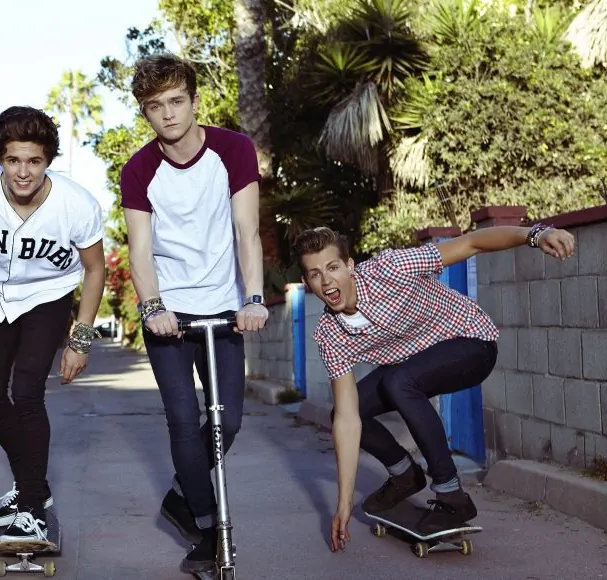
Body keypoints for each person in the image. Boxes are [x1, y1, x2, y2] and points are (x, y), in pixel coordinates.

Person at [292, 223, 576, 553]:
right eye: (315, 274)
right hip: (415, 364)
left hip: (471, 343)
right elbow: (347, 419)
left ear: (350, 266)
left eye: (333, 267)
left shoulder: (390, 268)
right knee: (351, 409)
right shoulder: (329, 334)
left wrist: (536, 235)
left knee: (399, 382)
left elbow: (471, 243)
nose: (327, 281)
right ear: (307, 283)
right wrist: (343, 504)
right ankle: (404, 475)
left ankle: (451, 494)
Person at [120, 53, 268, 575]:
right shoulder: (138, 169)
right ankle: (206, 528)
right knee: (184, 420)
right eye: (155, 106)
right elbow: (139, 250)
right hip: (168, 314)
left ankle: (183, 493)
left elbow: (247, 232)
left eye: (176, 101)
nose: (168, 114)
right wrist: (152, 306)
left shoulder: (234, 149)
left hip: (224, 307)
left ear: (194, 100)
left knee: (229, 419)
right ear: (145, 111)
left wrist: (254, 298)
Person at [0, 106, 107, 543]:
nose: (23, 172)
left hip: (48, 298)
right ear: (0, 158)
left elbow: (96, 269)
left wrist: (80, 340)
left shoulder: (76, 205)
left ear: (48, 160)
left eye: (34, 161)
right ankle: (33, 485)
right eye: (13, 160)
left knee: (27, 392)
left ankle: (32, 509)